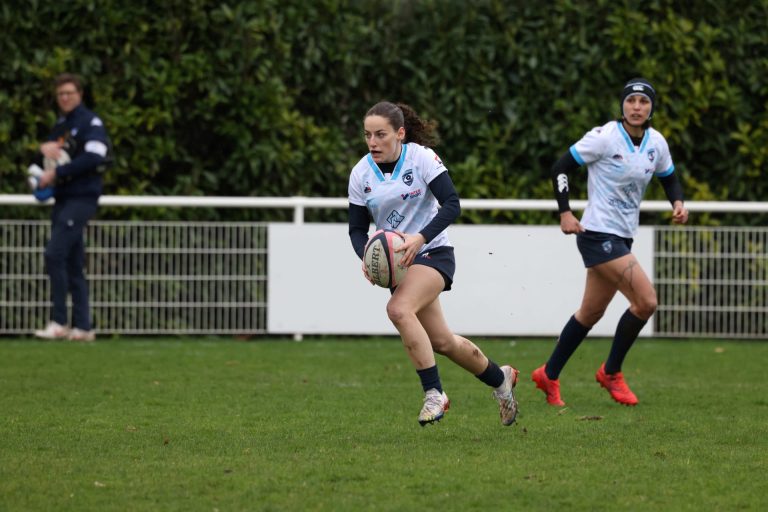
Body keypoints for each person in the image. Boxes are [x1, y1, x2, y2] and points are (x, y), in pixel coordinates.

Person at [348, 101, 519, 426]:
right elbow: (357, 230)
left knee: (398, 310)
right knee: (442, 341)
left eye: (380, 134)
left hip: (433, 253)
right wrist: (366, 257)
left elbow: (452, 204)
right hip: (400, 266)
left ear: (399, 133)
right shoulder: (360, 173)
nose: (372, 142)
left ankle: (434, 393)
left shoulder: (421, 158)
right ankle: (501, 379)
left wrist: (420, 238)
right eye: (367, 134)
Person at [532, 78, 688, 406]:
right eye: (631, 101)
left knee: (590, 313)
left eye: (643, 103)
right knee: (646, 301)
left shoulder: (656, 143)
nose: (636, 107)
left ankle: (549, 374)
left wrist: (677, 202)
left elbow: (669, 176)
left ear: (651, 109)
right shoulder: (604, 137)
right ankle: (611, 372)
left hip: (622, 237)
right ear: (622, 105)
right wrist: (565, 212)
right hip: (596, 234)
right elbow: (561, 167)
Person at [33, 73, 111, 342]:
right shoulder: (62, 125)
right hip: (63, 198)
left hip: (81, 198)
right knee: (74, 263)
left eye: (69, 93)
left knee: (54, 254)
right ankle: (83, 327)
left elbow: (96, 156)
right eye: (60, 94)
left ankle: (59, 321)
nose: (65, 98)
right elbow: (42, 159)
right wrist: (43, 149)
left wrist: (59, 172)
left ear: (80, 94)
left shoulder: (90, 122)